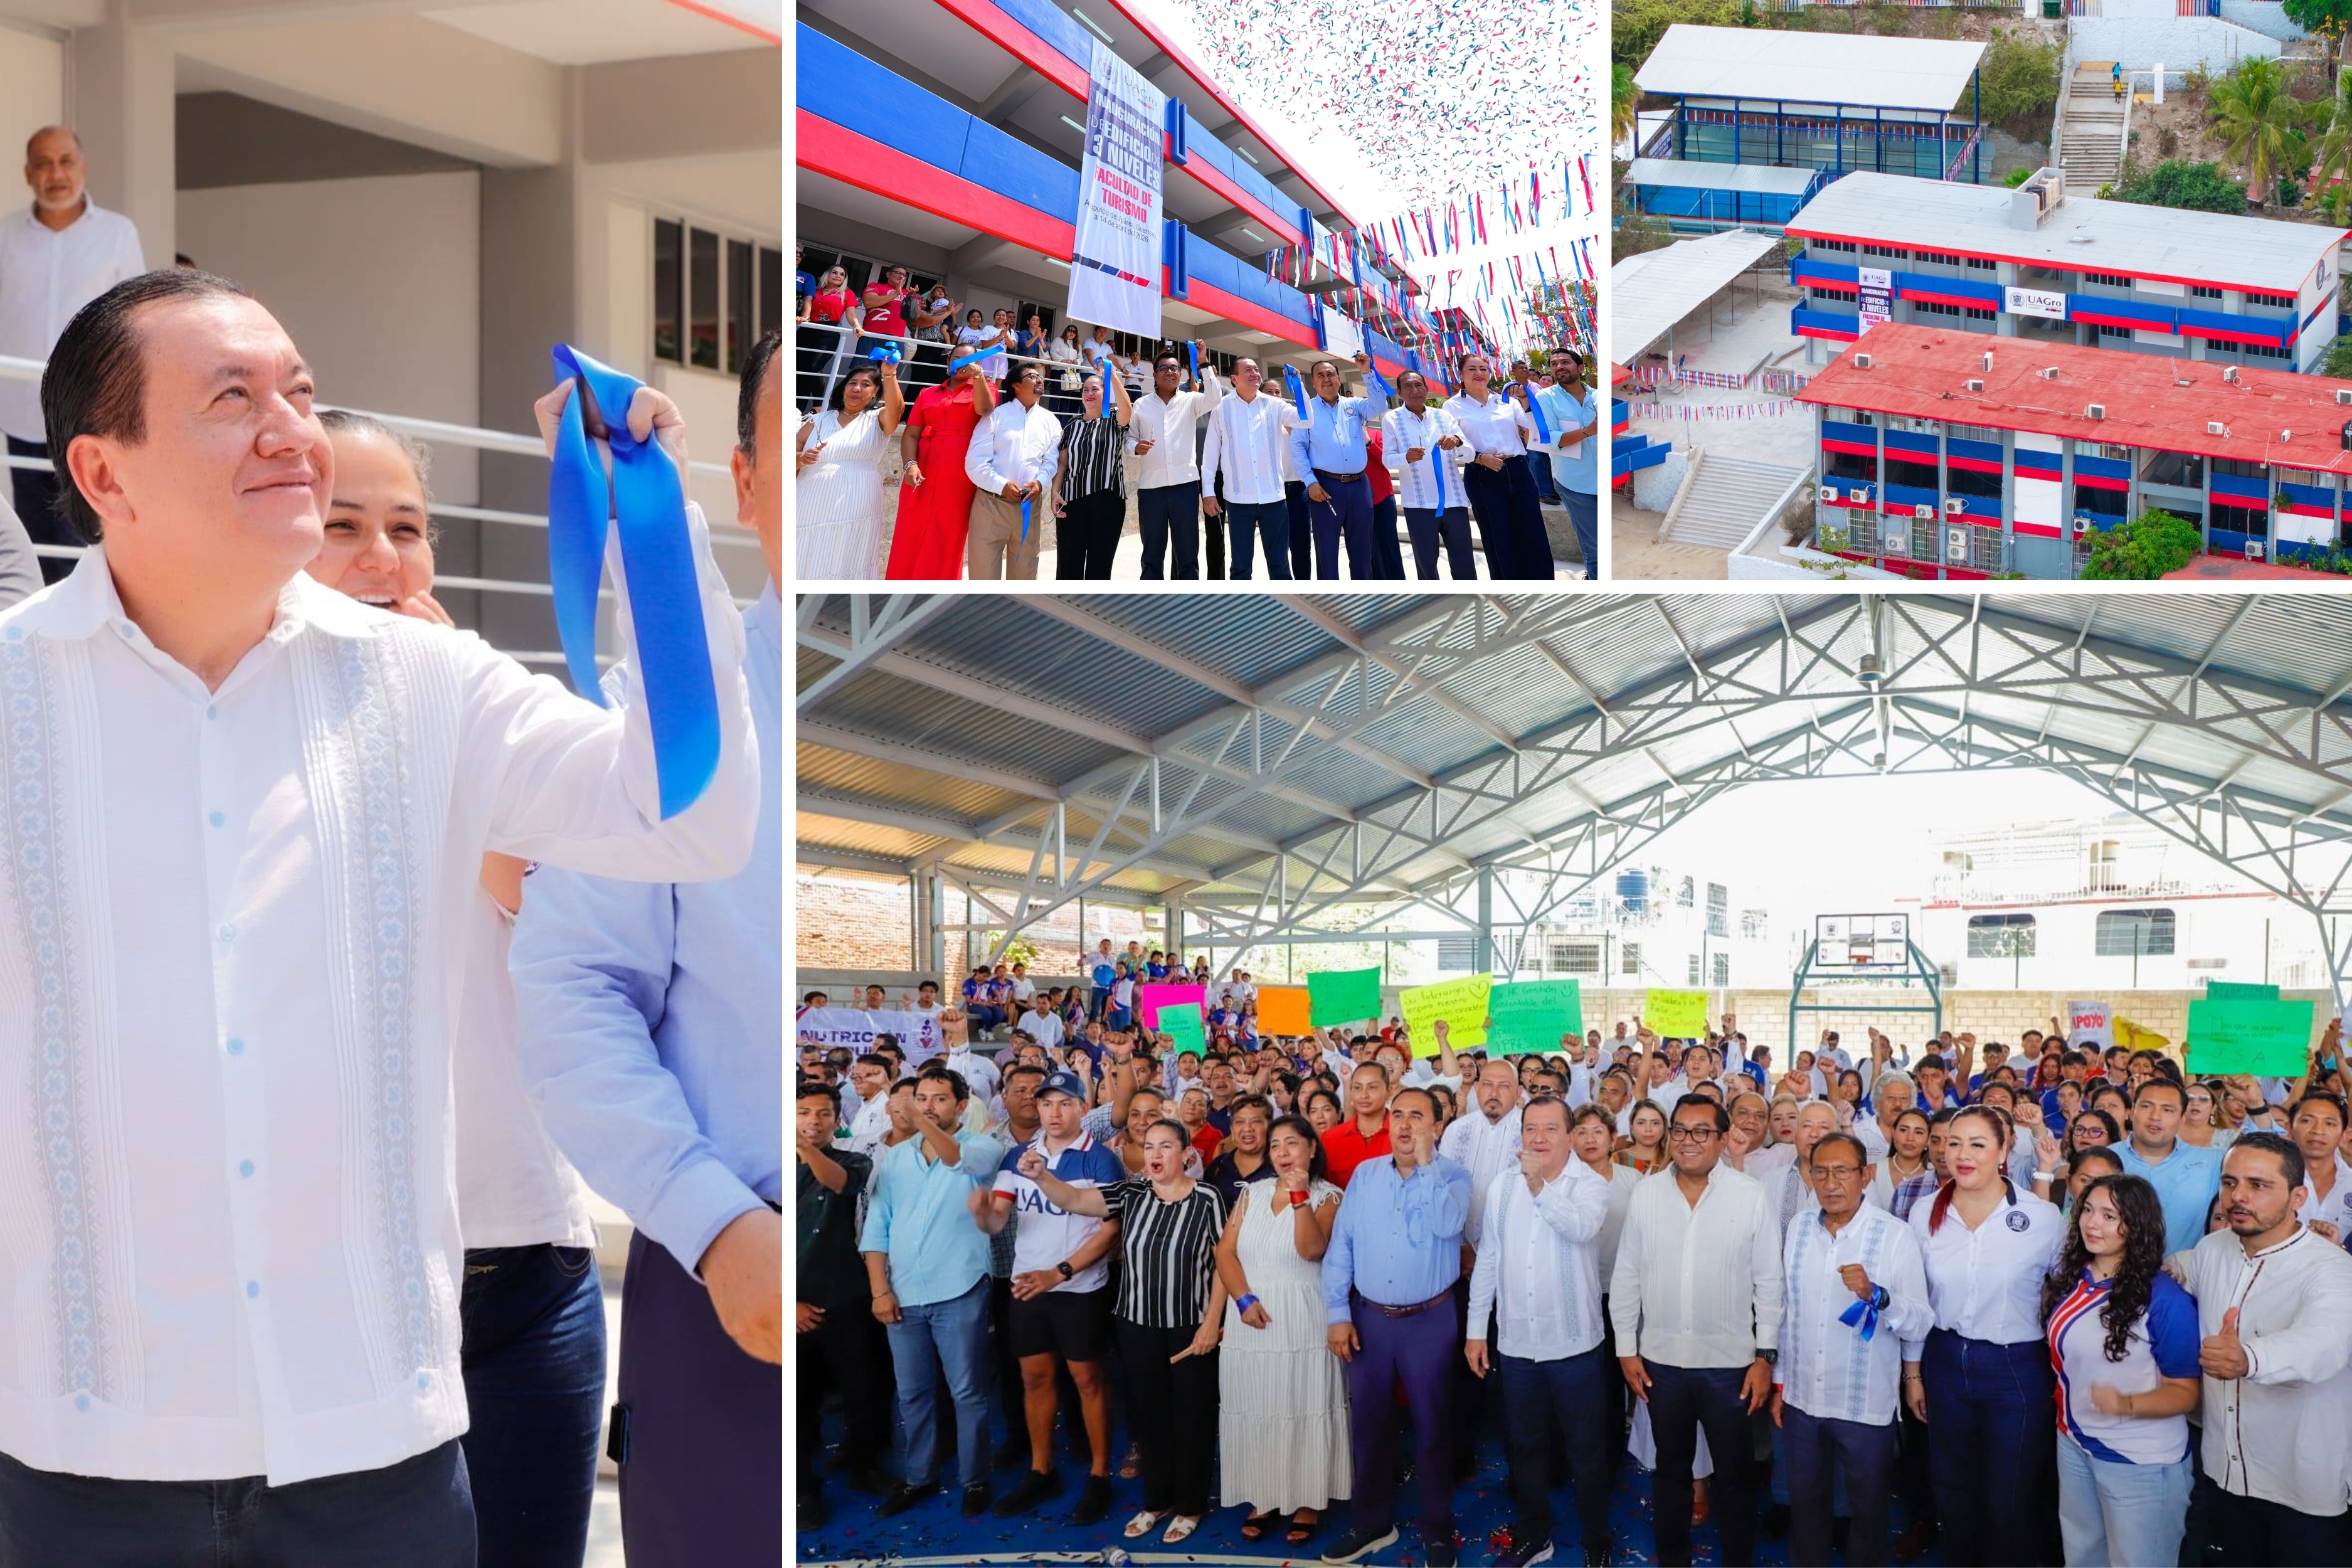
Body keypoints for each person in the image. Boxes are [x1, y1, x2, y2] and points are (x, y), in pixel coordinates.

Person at [0, 267, 755, 1565]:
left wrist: (652, 532)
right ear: (103, 472)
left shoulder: (429, 687)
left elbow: (683, 812)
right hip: (87, 1449)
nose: (289, 427)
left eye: (298, 390)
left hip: (376, 1455)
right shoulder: (13, 696)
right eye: (231, 399)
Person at [310, 408, 607, 1566]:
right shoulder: (217, 756)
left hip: (528, 1266)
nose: (384, 558)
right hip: (338, 1281)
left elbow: (567, 918)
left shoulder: (503, 717)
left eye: (408, 527)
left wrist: (448, 727)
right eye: (343, 527)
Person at [1026, 1120, 1229, 1545]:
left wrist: (1212, 1323)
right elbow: (1077, 1200)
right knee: (1150, 1416)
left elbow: (1224, 1265)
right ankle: (1157, 1500)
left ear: (1187, 1154)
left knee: (1192, 1417)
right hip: (1136, 1325)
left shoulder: (1209, 1199)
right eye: (1148, 1146)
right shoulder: (1132, 1194)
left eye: (1166, 1147)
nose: (1155, 1155)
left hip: (1190, 1328)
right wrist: (1043, 1176)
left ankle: (1190, 1504)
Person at [1611, 1096, 1781, 1568]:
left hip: (1730, 1366)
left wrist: (1765, 1356)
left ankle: (1738, 1559)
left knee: (1734, 1476)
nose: (1689, 1141)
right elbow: (1626, 1274)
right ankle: (1673, 1559)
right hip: (1661, 1362)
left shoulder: (1749, 1195)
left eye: (1702, 1131)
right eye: (1681, 1131)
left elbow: (1770, 1281)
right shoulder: (1647, 1194)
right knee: (1671, 1473)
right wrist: (1627, 1349)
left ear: (1724, 1139)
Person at [2171, 1132, 2352, 1564]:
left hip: (2301, 1485)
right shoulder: (2213, 1248)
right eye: (2230, 1182)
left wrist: (2250, 1357)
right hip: (2223, 1472)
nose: (2239, 1196)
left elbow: (2324, 1344)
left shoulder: (2332, 1268)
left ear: (2298, 1196)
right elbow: (2180, 1269)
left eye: (2259, 1185)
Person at [1904, 1104, 2065, 1568]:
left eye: (1978, 1144)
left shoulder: (2040, 1217)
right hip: (1945, 1359)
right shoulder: (1923, 1214)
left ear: (2003, 1151)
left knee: (2010, 1493)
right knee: (1952, 1488)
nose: (1963, 1155)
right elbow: (1918, 1300)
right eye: (1954, 1143)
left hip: (2017, 1369)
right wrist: (1914, 1374)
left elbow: (2067, 1288)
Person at [1319, 1086, 1473, 1567]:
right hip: (1369, 1319)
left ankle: (1436, 1526)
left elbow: (1449, 1226)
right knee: (1369, 1425)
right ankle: (1371, 1523)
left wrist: (1426, 1166)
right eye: (1398, 1116)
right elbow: (1341, 1245)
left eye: (1417, 1118)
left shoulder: (1455, 1177)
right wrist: (1339, 1314)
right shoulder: (1365, 1175)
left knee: (1433, 1427)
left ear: (1437, 1126)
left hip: (1430, 1321)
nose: (1405, 1126)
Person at [1466, 1096, 1616, 1568]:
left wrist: (1539, 1187)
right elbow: (1488, 1257)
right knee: (1525, 1446)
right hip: (1516, 1344)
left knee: (1587, 1449)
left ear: (1571, 1136)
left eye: (1550, 1129)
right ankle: (1536, 1532)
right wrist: (1476, 1331)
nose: (1538, 1138)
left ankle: (1597, 1537)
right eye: (1531, 1128)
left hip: (1574, 1345)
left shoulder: (1589, 1185)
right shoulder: (1502, 1185)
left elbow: (1580, 1229)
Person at [855, 1070, 1006, 1519]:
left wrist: (920, 1122)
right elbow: (876, 1228)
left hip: (958, 1288)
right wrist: (880, 1291)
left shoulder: (983, 1146)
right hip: (903, 1292)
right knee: (913, 1393)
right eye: (921, 1098)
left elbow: (958, 1159)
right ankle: (920, 1477)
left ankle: (975, 1478)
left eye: (940, 1099)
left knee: (968, 1392)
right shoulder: (896, 1160)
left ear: (962, 1106)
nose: (928, 1106)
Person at [1776, 1131, 1931, 1568]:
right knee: (1805, 1510)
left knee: (1868, 1514)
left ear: (1865, 1176)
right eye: (1820, 1171)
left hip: (1865, 1405)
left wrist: (1876, 1294)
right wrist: (1778, 1381)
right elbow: (1788, 1309)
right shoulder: (1799, 1227)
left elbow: (1920, 1319)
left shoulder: (1894, 1235)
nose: (1830, 1182)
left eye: (1842, 1171)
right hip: (1803, 1399)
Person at [975, 1071, 1121, 1526]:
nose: (1054, 1112)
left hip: (1078, 1289)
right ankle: (1043, 1469)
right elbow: (998, 1221)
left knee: (1088, 1381)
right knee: (1034, 1380)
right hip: (1027, 1287)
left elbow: (1111, 1230)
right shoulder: (1017, 1156)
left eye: (1064, 1103)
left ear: (1082, 1108)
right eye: (1047, 1104)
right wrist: (982, 1215)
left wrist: (1059, 1274)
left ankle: (1099, 1476)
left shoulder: (1100, 1160)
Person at [2, 125, 146, 575]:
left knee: (84, 530)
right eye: (43, 163)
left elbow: (134, 319)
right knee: (36, 536)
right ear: (28, 174)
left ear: (83, 168)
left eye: (65, 161)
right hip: (21, 412)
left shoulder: (117, 234)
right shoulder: (5, 235)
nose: (56, 173)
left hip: (87, 409)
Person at [2042, 1173, 2201, 1568]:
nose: (2093, 1224)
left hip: (2140, 1461)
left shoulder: (2165, 1299)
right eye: (2088, 1211)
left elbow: (2186, 1392)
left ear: (2137, 1224)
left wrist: (2124, 1404)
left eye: (2111, 1216)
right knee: (2082, 1556)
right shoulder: (2074, 1279)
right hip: (2075, 1443)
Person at [1213, 1113, 1348, 1548]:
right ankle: (1265, 1493)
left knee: (1300, 1401)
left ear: (1312, 1148)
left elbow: (1312, 1250)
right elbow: (1226, 1252)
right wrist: (1243, 1299)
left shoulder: (1330, 1198)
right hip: (1250, 1316)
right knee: (1257, 1401)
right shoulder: (1249, 1194)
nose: (1283, 1152)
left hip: (1302, 1315)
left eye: (1292, 1143)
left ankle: (1308, 1498)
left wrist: (1299, 1196)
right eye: (1276, 1145)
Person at [796, 1083, 892, 1531]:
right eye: (803, 1113)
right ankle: (802, 1489)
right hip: (791, 1305)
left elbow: (838, 1184)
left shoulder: (854, 1160)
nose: (812, 1121)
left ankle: (865, 1466)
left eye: (821, 1114)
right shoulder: (769, 1171)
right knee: (798, 1403)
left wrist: (803, 1148)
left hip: (846, 1298)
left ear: (837, 1121)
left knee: (863, 1391)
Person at [883, 355, 995, 579]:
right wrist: (910, 465)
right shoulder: (928, 393)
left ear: (978, 363)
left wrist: (978, 375)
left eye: (969, 358)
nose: (961, 363)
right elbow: (912, 434)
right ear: (947, 363)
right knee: (910, 531)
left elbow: (985, 409)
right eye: (956, 358)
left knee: (948, 533)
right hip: (922, 469)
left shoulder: (985, 386)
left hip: (958, 474)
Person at [795, 356, 904, 579]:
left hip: (856, 498)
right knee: (803, 550)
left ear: (875, 393)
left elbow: (897, 410)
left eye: (866, 385)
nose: (856, 388)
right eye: (852, 383)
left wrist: (890, 375)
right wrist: (802, 458)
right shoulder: (819, 420)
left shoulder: (878, 419)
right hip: (809, 498)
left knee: (846, 552)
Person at [1445, 353, 1550, 579]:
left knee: (1534, 535)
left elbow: (1533, 434)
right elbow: (1455, 442)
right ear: (1461, 374)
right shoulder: (1452, 406)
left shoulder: (1508, 401)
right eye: (1472, 369)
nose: (1479, 373)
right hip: (1484, 476)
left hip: (1520, 470)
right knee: (1498, 540)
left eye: (1483, 368)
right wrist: (1479, 458)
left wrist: (1526, 401)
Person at [1287, 354, 1385, 580]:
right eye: (1320, 375)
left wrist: (1367, 372)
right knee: (1327, 554)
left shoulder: (1355, 406)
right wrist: (1310, 482)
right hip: (1325, 488)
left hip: (1360, 486)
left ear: (1339, 379)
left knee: (1363, 553)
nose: (1326, 379)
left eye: (1330, 374)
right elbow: (1298, 449)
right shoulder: (1305, 412)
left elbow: (1379, 405)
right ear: (1313, 382)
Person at [1127, 342, 1221, 580]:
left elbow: (1215, 397)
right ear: (1155, 374)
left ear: (1181, 374)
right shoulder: (1141, 405)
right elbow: (1129, 440)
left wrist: (1204, 363)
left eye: (1175, 368)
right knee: (1151, 558)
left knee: (1188, 556)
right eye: (1164, 368)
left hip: (1185, 488)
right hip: (1151, 491)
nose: (1170, 372)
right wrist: (1135, 448)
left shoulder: (1191, 400)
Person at [963, 361, 1060, 580]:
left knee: (1025, 576)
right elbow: (975, 463)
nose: (1040, 380)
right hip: (991, 505)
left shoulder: (1051, 421)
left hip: (1030, 507)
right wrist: (1001, 485)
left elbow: (1051, 461)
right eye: (1033, 376)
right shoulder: (995, 417)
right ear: (1016, 385)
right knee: (984, 576)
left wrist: (1041, 482)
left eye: (1040, 377)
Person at [1382, 371, 1475, 578]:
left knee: (1464, 562)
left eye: (1419, 385)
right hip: (1419, 504)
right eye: (1408, 386)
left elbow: (1469, 453)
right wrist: (1405, 457)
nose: (1415, 391)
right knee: (1426, 564)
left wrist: (1457, 442)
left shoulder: (1443, 415)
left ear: (1426, 388)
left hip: (1454, 501)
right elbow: (1387, 459)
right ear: (1399, 392)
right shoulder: (1392, 419)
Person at [2116, 1077, 2224, 1257]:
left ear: (2182, 1118)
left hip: (2185, 1280)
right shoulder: (2104, 1159)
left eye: (2167, 1110)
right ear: (2132, 1111)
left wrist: (2256, 1107)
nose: (2155, 1116)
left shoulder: (2213, 1162)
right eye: (2146, 1106)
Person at [1048, 368, 1133, 580]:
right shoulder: (1072, 425)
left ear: (1106, 394)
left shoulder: (1113, 419)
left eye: (1095, 389)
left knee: (1100, 569)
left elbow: (1127, 409)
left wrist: (1112, 374)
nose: (1089, 393)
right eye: (1085, 390)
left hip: (1108, 503)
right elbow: (1063, 463)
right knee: (1068, 568)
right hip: (1072, 502)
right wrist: (1055, 492)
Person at [1539, 353, 1599, 582]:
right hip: (1575, 482)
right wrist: (1587, 431)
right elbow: (1550, 437)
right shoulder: (1546, 398)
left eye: (1565, 362)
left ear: (1581, 368)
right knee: (1594, 544)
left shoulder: (1598, 396)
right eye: (1554, 364)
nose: (1559, 367)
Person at [1322, 1061, 1393, 1188]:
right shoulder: (1331, 1139)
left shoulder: (1403, 1134)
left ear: (1389, 1091)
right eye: (1358, 1088)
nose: (1364, 1095)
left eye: (1372, 1087)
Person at [1361, 422, 1405, 580]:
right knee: (1367, 550)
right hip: (1358, 502)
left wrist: (1368, 442)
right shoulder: (1344, 440)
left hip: (1382, 497)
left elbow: (1387, 461)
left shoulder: (1376, 435)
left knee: (1388, 547)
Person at [856, 263, 913, 359]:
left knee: (889, 373)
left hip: (896, 338)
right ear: (888, 274)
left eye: (904, 275)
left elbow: (916, 317)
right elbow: (869, 302)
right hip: (871, 334)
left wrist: (946, 312)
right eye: (898, 273)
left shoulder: (909, 294)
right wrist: (896, 294)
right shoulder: (876, 286)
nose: (901, 276)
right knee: (864, 371)